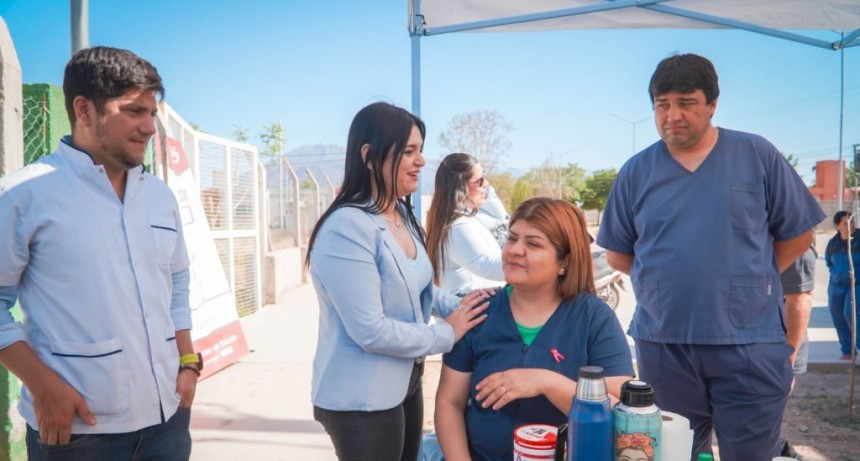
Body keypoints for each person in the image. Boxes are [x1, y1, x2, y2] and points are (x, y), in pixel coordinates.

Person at [597, 53, 825, 461]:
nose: (673, 115)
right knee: (673, 453)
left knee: (751, 454)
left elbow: (798, 233)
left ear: (712, 104)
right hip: (665, 345)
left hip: (748, 342)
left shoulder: (756, 154)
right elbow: (618, 253)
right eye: (662, 104)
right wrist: (663, 281)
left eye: (686, 102)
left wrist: (754, 274)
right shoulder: (636, 171)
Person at [0, 46, 197, 460]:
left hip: (168, 422)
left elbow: (176, 279)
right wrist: (43, 385)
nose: (149, 128)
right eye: (133, 111)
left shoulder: (159, 197)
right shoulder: (26, 196)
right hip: (79, 431)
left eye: (152, 113)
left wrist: (188, 362)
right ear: (85, 110)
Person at [306, 102, 490, 461]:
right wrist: (447, 334)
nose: (421, 161)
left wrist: (465, 305)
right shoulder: (347, 228)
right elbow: (370, 330)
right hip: (361, 401)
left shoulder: (399, 213)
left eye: (420, 150)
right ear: (370, 156)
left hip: (403, 385)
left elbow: (419, 286)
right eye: (409, 151)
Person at [435, 197, 634, 461]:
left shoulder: (594, 317)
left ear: (564, 261)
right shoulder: (478, 310)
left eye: (533, 243)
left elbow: (621, 409)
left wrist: (546, 382)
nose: (515, 250)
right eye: (512, 238)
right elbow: (449, 403)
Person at [426, 153, 505, 296]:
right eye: (479, 181)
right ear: (461, 187)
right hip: (471, 312)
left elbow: (502, 218)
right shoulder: (457, 227)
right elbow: (489, 266)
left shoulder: (467, 218)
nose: (486, 184)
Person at [825, 210, 860, 361]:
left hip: (857, 285)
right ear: (837, 226)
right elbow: (828, 262)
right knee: (838, 316)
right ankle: (847, 350)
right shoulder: (833, 243)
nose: (850, 226)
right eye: (845, 223)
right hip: (836, 286)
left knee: (850, 313)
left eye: (851, 222)